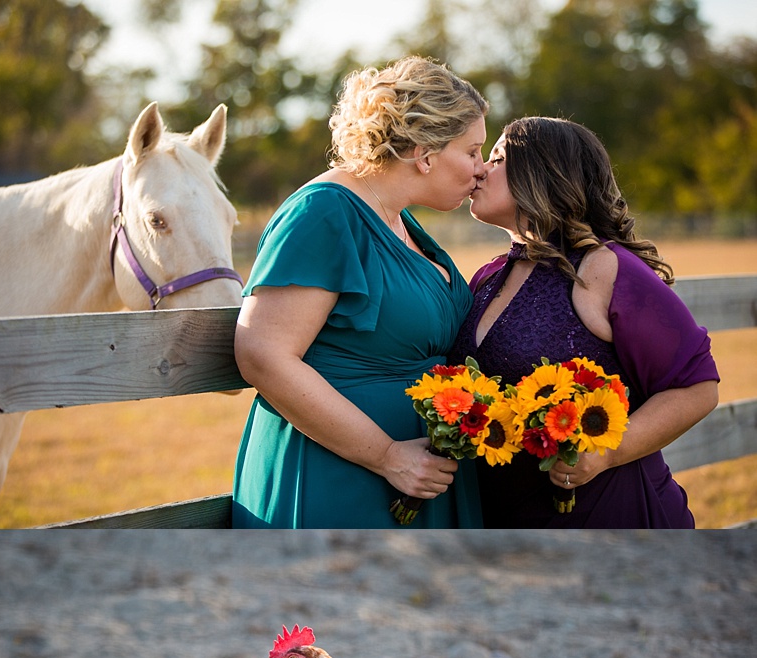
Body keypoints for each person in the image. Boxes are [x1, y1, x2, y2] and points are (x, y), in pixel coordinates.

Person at [232, 56, 488, 528]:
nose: (482, 169)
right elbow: (263, 354)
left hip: (414, 479)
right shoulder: (324, 213)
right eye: (472, 151)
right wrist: (388, 455)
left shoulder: (398, 218)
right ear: (423, 151)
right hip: (339, 478)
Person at [452, 116, 719, 527]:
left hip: (606, 513)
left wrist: (607, 452)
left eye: (499, 157)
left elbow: (696, 387)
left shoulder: (605, 268)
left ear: (542, 173)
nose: (481, 169)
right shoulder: (487, 278)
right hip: (504, 518)